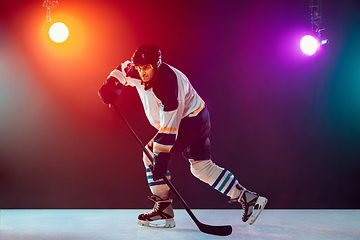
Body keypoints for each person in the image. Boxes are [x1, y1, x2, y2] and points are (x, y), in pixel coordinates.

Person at [98, 44, 267, 228]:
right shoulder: (137, 69)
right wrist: (111, 86)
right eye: (139, 67)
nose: (141, 72)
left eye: (146, 68)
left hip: (188, 123)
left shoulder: (168, 85)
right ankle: (249, 198)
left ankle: (164, 210)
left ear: (156, 64)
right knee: (201, 168)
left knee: (150, 156)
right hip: (200, 117)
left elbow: (170, 129)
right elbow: (122, 68)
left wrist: (161, 161)